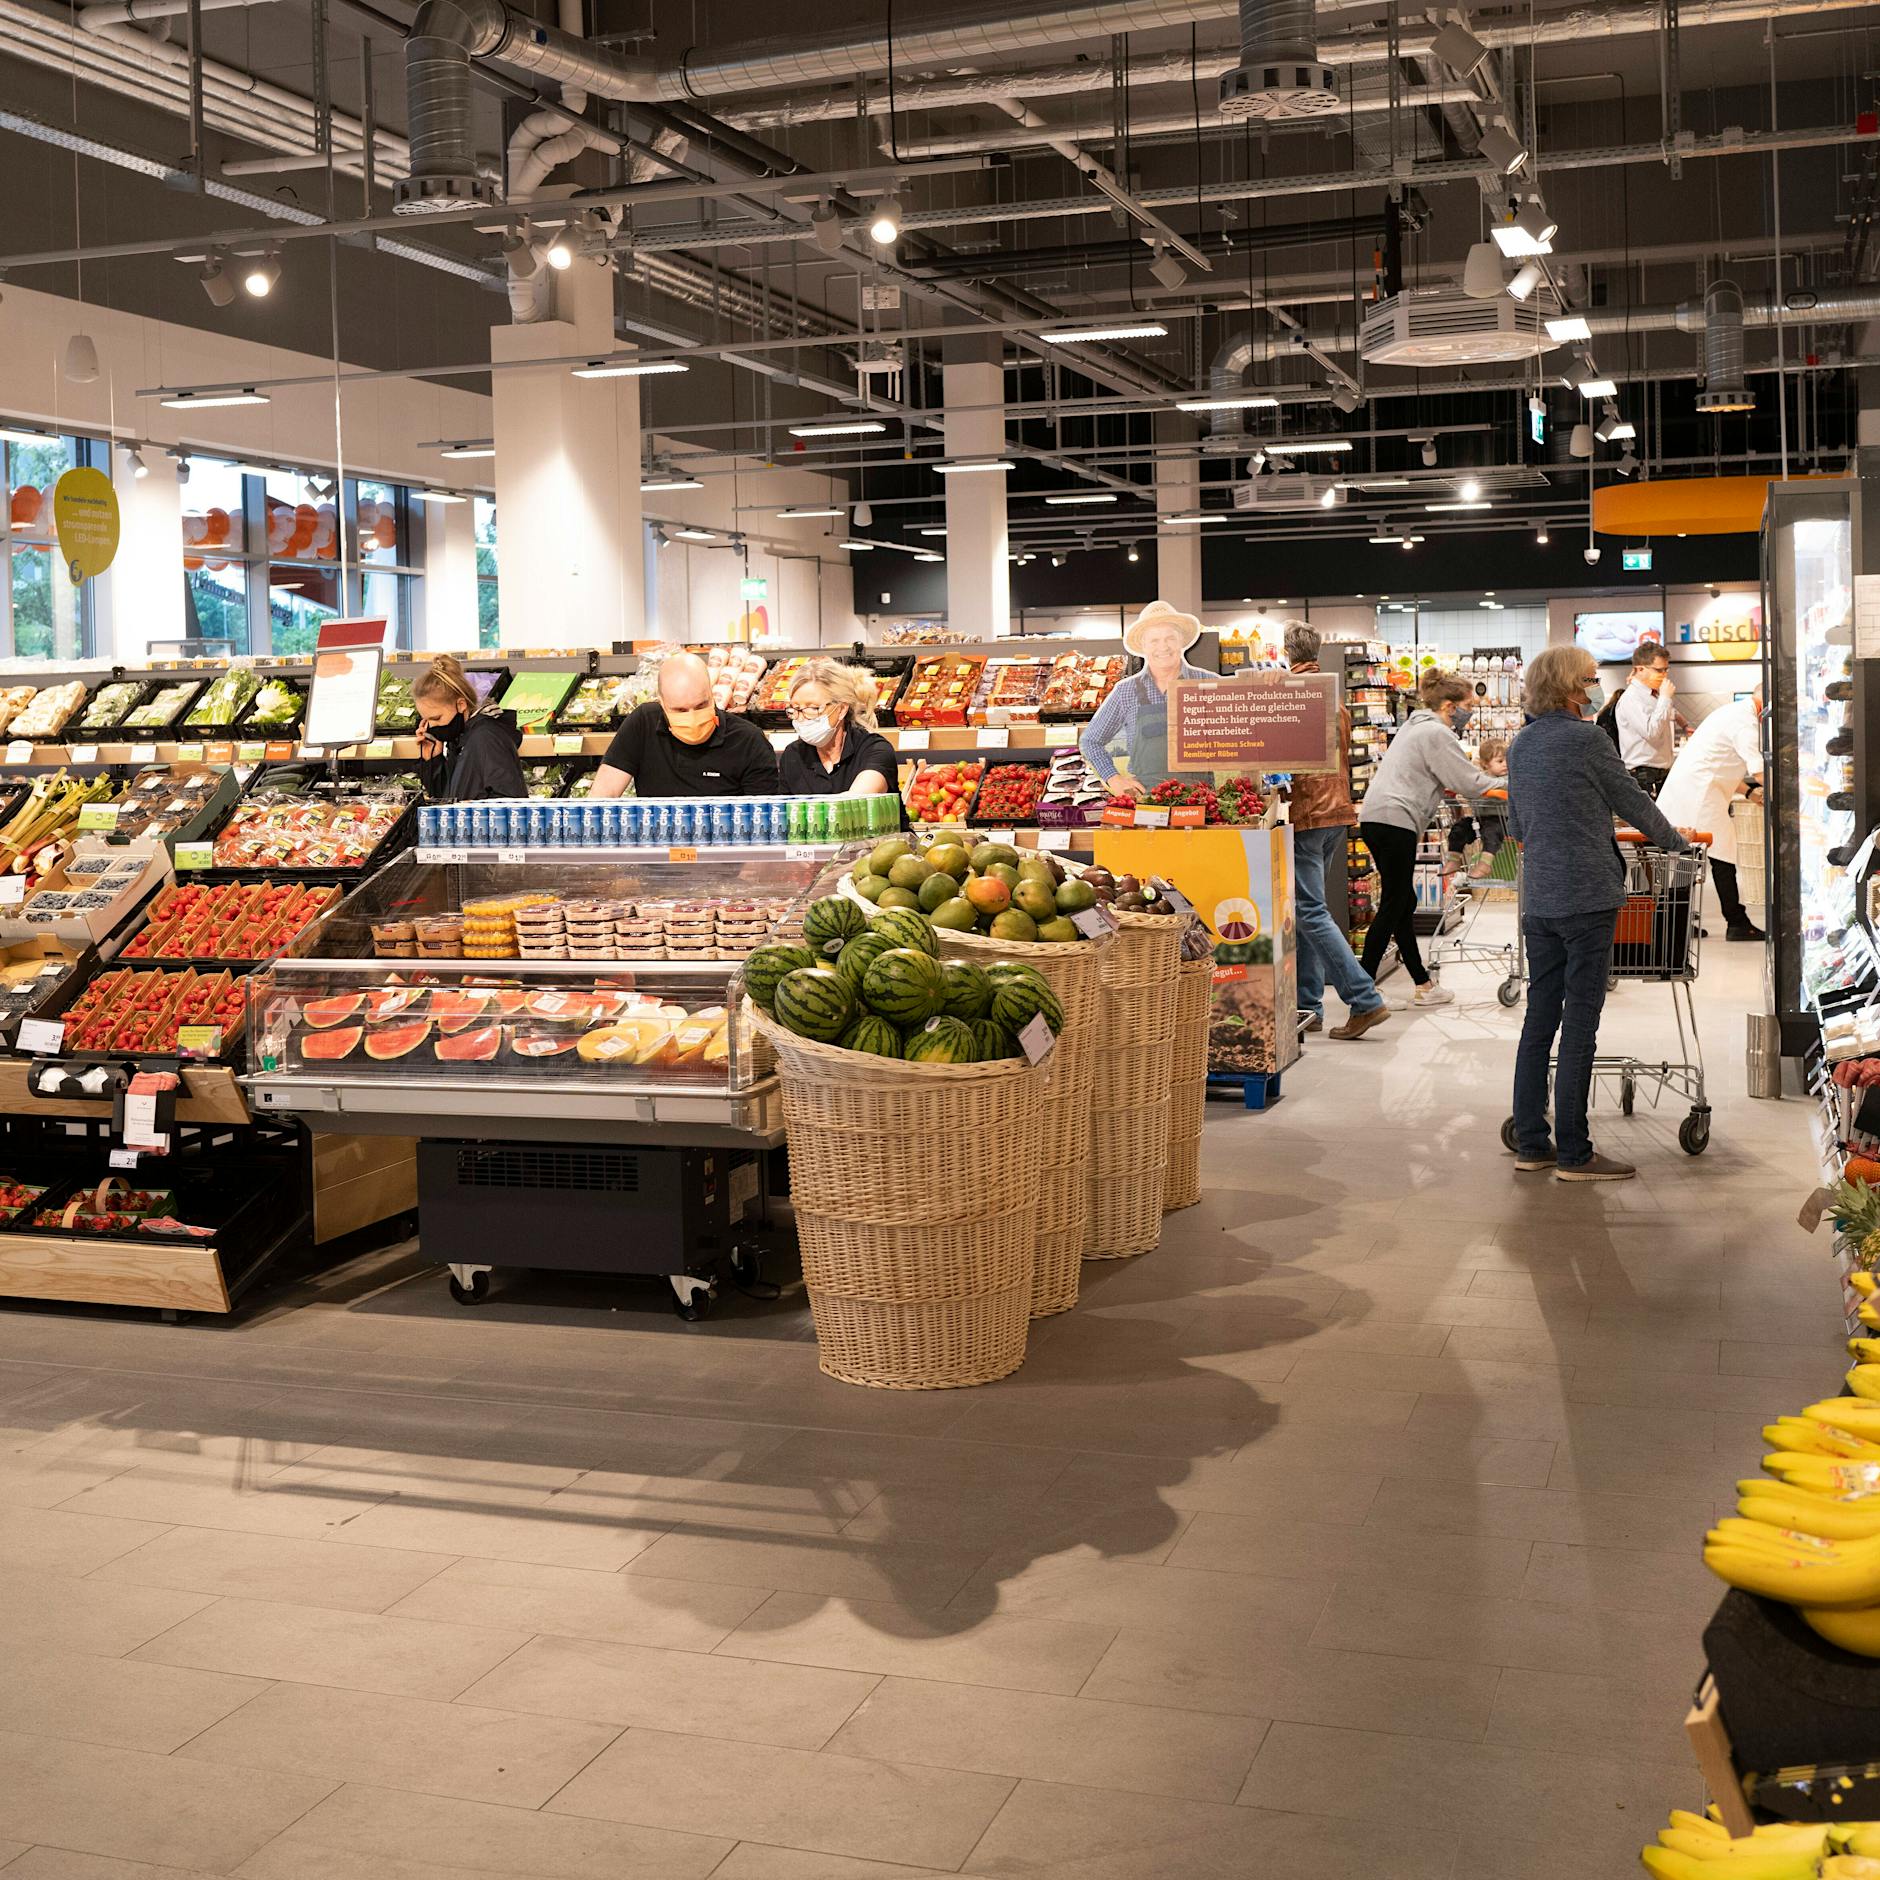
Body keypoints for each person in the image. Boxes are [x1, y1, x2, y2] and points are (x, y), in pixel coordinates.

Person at [1506, 645, 1695, 1183]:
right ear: (1569, 688)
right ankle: (1575, 1153)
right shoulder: (1589, 739)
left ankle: (1532, 1143)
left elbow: (1516, 828)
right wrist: (1676, 843)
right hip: (1588, 898)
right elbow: (1634, 802)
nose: (1595, 687)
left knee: (1539, 1020)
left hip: (1539, 900)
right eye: (1589, 679)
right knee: (1581, 1022)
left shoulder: (1520, 746)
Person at [1357, 670, 1506, 1007]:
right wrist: (1516, 786)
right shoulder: (1436, 733)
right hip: (1396, 820)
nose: (1470, 712)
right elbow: (1472, 784)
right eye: (1468, 705)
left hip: (1377, 818)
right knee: (1395, 903)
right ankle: (1362, 991)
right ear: (1450, 707)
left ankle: (1423, 984)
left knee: (1403, 901)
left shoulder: (1414, 726)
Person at [1283, 623, 1389, 1041]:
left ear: (1284, 652)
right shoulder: (1336, 701)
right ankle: (1308, 1007)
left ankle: (1364, 999)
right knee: (1308, 910)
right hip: (1336, 813)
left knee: (1309, 911)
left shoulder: (1288, 696)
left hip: (1306, 816)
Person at [1654, 686, 1765, 941]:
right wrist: (1788, 796)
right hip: (1700, 797)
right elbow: (1758, 770)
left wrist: (1749, 793)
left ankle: (1675, 924)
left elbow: (1720, 762)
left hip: (1696, 792)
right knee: (1718, 858)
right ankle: (1735, 923)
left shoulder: (1731, 713)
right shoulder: (1745, 722)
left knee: (1690, 857)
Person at [590, 650, 780, 799]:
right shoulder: (643, 723)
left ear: (712, 695)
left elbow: (761, 825)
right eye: (680, 710)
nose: (692, 718)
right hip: (658, 846)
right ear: (662, 703)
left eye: (701, 705)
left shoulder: (749, 741)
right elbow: (602, 795)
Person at [1080, 599, 1212, 798]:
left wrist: (1267, 680)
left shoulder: (1208, 683)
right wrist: (1114, 778)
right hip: (1147, 800)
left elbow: (1250, 713)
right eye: (1154, 640)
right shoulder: (1126, 691)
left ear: (1181, 641)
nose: (1163, 647)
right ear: (1143, 646)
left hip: (1200, 799)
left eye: (1170, 638)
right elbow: (1090, 740)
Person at [413, 654, 526, 802]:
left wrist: (471, 810)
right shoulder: (461, 737)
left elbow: (510, 803)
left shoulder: (487, 737)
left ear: (461, 705)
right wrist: (433, 761)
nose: (431, 727)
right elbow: (447, 798)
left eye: (436, 718)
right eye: (426, 720)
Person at [776, 659, 897, 797]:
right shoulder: (793, 756)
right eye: (795, 709)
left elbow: (858, 800)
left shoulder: (874, 749)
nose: (802, 718)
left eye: (813, 708)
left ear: (841, 710)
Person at [1615, 640, 1677, 794]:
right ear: (1640, 669)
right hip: (1643, 775)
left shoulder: (1654, 695)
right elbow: (1652, 733)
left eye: (1666, 670)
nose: (1664, 675)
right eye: (1659, 670)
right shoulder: (1632, 698)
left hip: (1661, 773)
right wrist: (1665, 699)